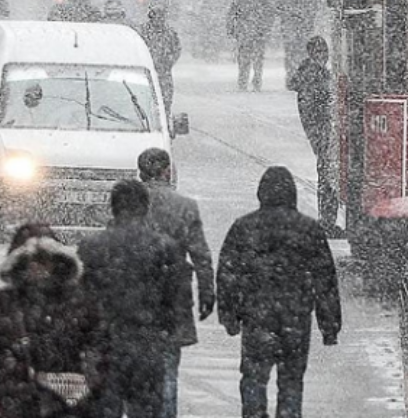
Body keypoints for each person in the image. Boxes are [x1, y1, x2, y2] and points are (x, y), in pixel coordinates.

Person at [217, 166, 342, 418]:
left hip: (256, 319)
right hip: (295, 320)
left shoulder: (243, 228)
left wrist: (229, 316)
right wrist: (329, 326)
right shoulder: (309, 230)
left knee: (253, 377)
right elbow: (325, 281)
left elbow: (227, 276)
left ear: (261, 193)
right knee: (291, 382)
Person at [77, 180, 183, 418]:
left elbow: (83, 301)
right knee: (145, 410)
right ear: (146, 207)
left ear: (113, 207)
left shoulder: (93, 246)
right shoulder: (163, 248)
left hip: (105, 347)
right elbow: (172, 301)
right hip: (147, 345)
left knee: (104, 408)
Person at [0, 224, 108, 417]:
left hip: (62, 409)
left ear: (57, 261)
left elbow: (100, 351)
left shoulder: (80, 303)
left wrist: (87, 382)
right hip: (15, 408)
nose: (37, 266)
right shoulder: (2, 302)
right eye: (29, 260)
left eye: (43, 259)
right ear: (18, 263)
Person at [138, 148, 215, 418]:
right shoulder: (184, 206)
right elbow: (201, 254)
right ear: (167, 171)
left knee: (135, 372)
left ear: (141, 173)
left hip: (134, 298)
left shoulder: (131, 205)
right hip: (174, 297)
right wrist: (207, 292)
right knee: (169, 370)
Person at [287, 36, 340, 236]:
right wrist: (320, 134)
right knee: (327, 175)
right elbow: (310, 111)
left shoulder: (314, 74)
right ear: (311, 54)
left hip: (322, 132)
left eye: (324, 53)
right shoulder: (313, 76)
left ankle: (328, 220)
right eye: (319, 53)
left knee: (326, 174)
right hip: (323, 132)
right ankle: (327, 221)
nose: (323, 57)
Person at [227, 0, 275, 92]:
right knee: (258, 58)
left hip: (244, 30)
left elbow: (232, 12)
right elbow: (270, 12)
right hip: (259, 30)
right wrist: (267, 26)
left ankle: (243, 81)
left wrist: (231, 28)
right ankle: (257, 80)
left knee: (244, 58)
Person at [139, 7, 182, 118]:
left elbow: (177, 49)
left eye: (160, 17)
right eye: (156, 17)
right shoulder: (143, 32)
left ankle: (164, 122)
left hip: (163, 73)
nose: (158, 20)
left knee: (164, 103)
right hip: (145, 73)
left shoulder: (170, 33)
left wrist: (168, 62)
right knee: (143, 101)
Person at [276, 0, 316, 78]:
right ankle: (301, 75)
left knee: (290, 53)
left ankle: (292, 75)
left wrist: (287, 14)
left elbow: (277, 8)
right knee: (302, 52)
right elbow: (313, 8)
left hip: (290, 28)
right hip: (302, 27)